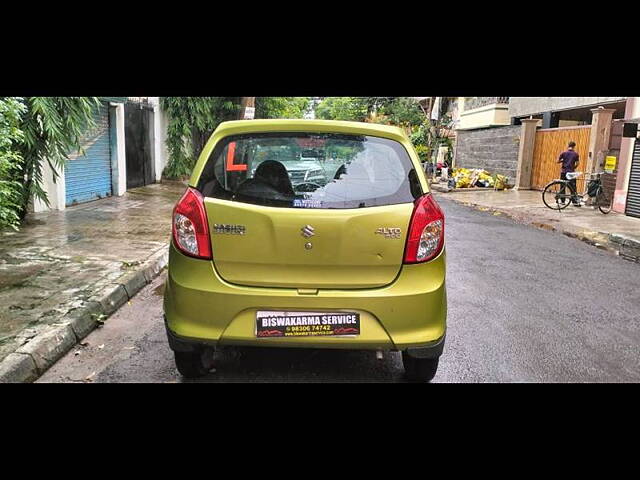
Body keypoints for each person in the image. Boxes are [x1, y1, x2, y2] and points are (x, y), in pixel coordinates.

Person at [558, 141, 581, 206]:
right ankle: (574, 202)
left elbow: (558, 161)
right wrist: (573, 167)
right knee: (573, 187)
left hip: (564, 172)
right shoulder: (576, 154)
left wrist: (563, 160)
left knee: (562, 186)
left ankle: (562, 201)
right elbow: (577, 164)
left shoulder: (563, 153)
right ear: (574, 146)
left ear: (568, 146)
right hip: (571, 173)